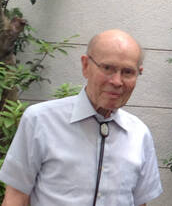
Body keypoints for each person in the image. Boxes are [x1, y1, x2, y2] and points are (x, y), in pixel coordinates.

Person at [0, 29, 162, 206]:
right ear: (85, 66)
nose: (117, 81)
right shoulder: (40, 121)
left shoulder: (139, 134)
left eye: (127, 72)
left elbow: (140, 202)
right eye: (107, 68)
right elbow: (16, 197)